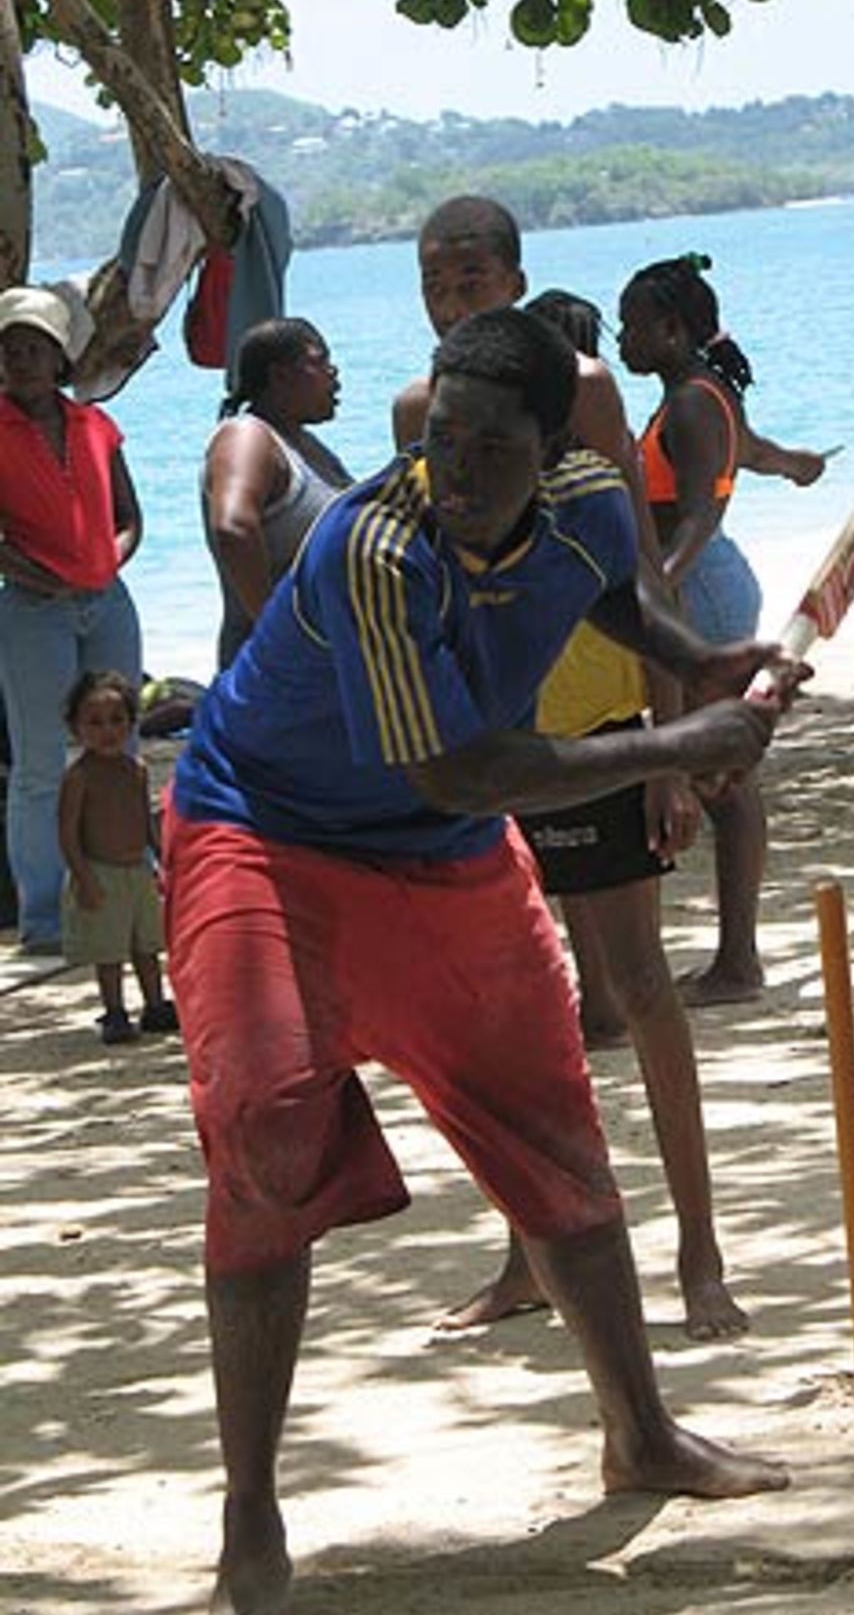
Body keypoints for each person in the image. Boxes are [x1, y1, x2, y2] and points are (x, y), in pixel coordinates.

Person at [167, 308, 795, 1613]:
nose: (455, 470)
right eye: (442, 439)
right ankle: (248, 1515)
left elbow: (615, 593)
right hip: (263, 835)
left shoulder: (584, 500)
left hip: (442, 858)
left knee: (554, 1134)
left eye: (489, 448)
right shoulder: (373, 545)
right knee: (269, 1136)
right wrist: (680, 749)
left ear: (548, 447)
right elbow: (462, 766)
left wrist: (705, 664)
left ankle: (643, 1433)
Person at [442, 286, 747, 1342]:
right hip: (510, 764)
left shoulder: (595, 488)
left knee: (639, 987)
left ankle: (698, 1252)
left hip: (609, 734)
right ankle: (524, 1256)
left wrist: (667, 763)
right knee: (518, 1019)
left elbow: (648, 589)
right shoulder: (464, 468)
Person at [617, 253, 769, 1008]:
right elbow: (748, 454)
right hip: (701, 585)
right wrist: (797, 463)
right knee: (716, 774)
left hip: (700, 594)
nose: (620, 339)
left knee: (720, 779)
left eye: (633, 326)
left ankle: (739, 962)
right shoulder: (695, 395)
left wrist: (658, 585)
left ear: (672, 330)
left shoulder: (690, 403)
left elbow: (704, 511)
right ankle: (736, 959)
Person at [0, 285, 144, 955]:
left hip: (106, 601)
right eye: (11, 350)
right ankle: (44, 918)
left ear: (60, 358)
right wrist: (41, 577)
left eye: (34, 349)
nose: (22, 361)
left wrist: (106, 563)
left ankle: (129, 895)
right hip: (33, 609)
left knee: (123, 750)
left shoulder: (94, 425)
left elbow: (129, 515)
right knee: (39, 764)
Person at [202, 318, 352, 669]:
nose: (334, 372)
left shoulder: (303, 445)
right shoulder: (247, 436)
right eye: (320, 361)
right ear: (281, 376)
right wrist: (280, 634)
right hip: (277, 669)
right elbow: (234, 529)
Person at [57, 669, 178, 1043]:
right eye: (94, 723)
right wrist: (84, 878)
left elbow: (145, 822)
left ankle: (155, 1005)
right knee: (109, 950)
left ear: (131, 723)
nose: (107, 731)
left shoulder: (136, 770)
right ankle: (114, 1010)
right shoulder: (79, 777)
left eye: (116, 721)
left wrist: (162, 861)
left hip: (137, 871)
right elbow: (67, 833)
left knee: (147, 945)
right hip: (100, 871)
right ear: (75, 728)